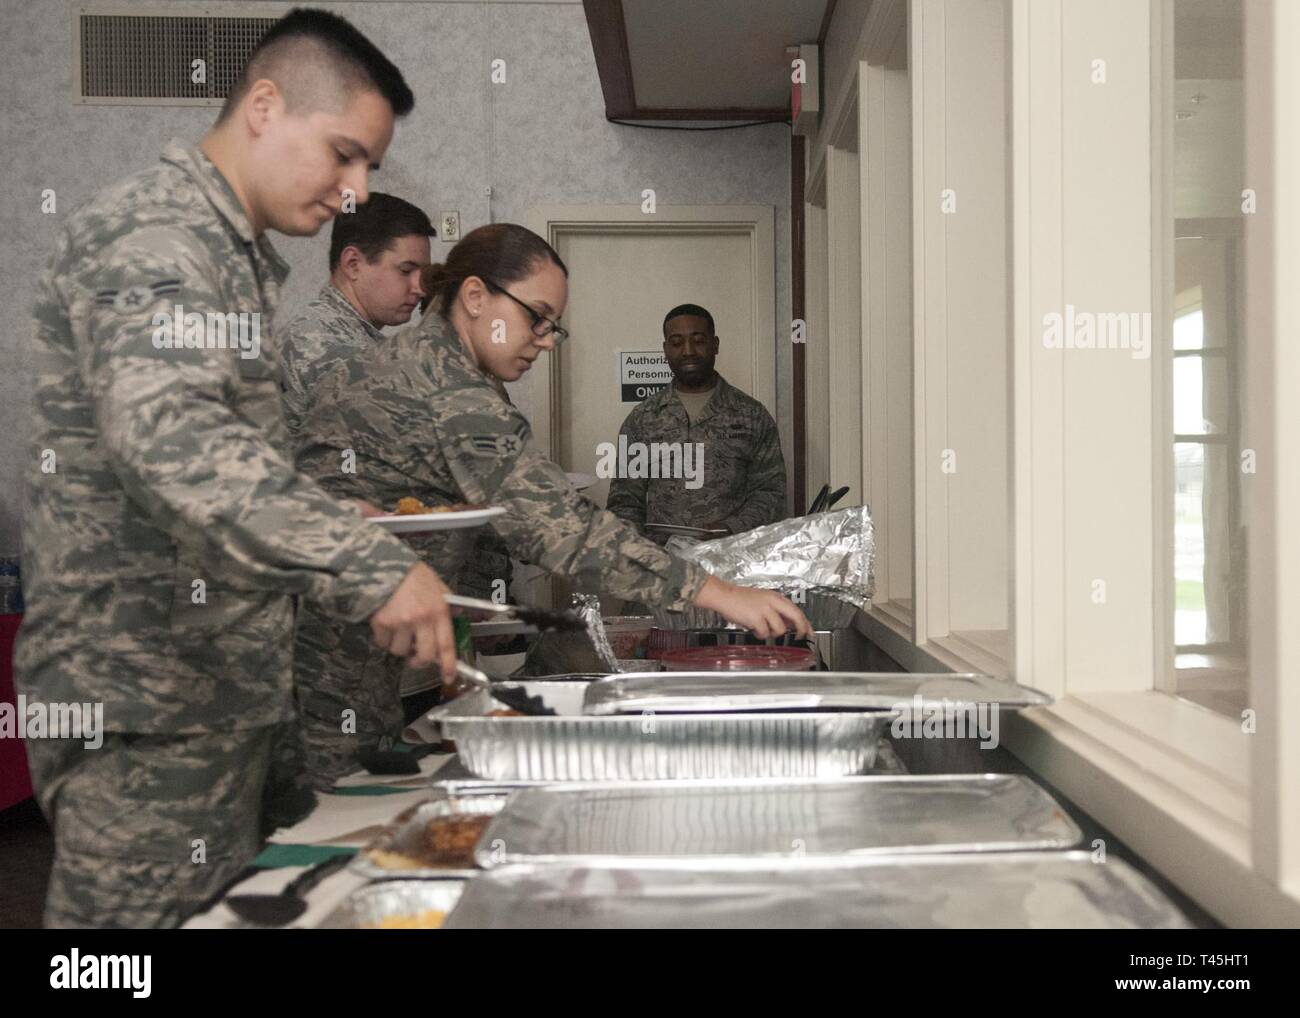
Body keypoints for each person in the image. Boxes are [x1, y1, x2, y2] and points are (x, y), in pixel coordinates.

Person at [16, 8, 458, 929]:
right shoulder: (156, 239)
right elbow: (172, 443)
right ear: (264, 105)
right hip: (143, 696)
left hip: (217, 686)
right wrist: (369, 566)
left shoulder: (232, 257)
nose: (353, 190)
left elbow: (243, 465)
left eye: (368, 167)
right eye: (343, 155)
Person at [289, 223, 812, 788]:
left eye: (552, 325)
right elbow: (562, 531)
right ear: (474, 297)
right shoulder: (450, 389)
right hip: (324, 661)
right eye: (536, 317)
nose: (544, 339)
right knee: (332, 820)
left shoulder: (413, 364)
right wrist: (718, 593)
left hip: (352, 648)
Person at [606, 303, 787, 542]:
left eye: (698, 340)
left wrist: (731, 527)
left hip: (732, 558)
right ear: (665, 349)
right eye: (677, 342)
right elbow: (624, 501)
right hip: (664, 565)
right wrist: (641, 554)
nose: (688, 351)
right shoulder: (643, 419)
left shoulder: (750, 415)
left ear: (715, 345)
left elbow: (771, 492)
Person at [280, 191, 434, 441]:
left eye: (422, 273)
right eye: (406, 270)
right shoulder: (336, 352)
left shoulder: (330, 330)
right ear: (353, 264)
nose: (420, 288)